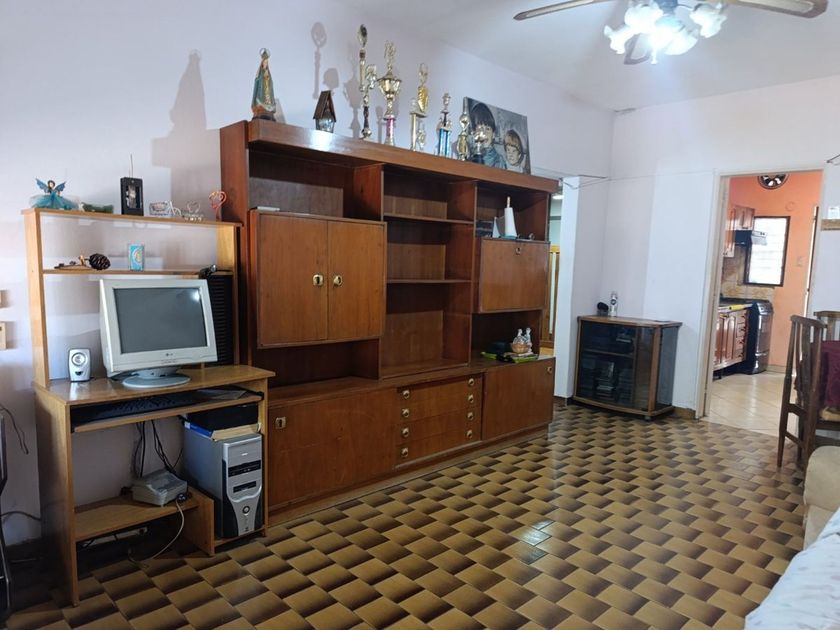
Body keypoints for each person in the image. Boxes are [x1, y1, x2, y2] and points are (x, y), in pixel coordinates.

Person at [469, 102, 505, 169]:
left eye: (487, 129)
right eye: (480, 128)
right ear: (473, 132)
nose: (484, 133)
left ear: (493, 134)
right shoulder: (469, 155)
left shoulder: (498, 160)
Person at [251, 48, 277, 120]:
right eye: (264, 62)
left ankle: (268, 108)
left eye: (266, 62)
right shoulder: (260, 73)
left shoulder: (268, 73)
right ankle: (261, 107)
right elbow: (257, 80)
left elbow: (270, 82)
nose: (265, 64)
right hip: (261, 91)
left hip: (267, 92)